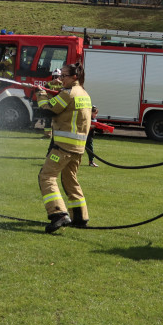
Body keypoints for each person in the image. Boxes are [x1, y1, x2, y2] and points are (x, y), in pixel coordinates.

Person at [36, 63, 92, 232]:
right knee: (70, 179)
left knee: (46, 176)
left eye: (64, 76)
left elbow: (47, 110)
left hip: (63, 147)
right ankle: (80, 218)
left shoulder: (68, 94)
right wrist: (51, 88)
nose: (60, 79)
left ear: (74, 77)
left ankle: (58, 214)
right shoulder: (83, 93)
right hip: (78, 148)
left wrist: (41, 93)